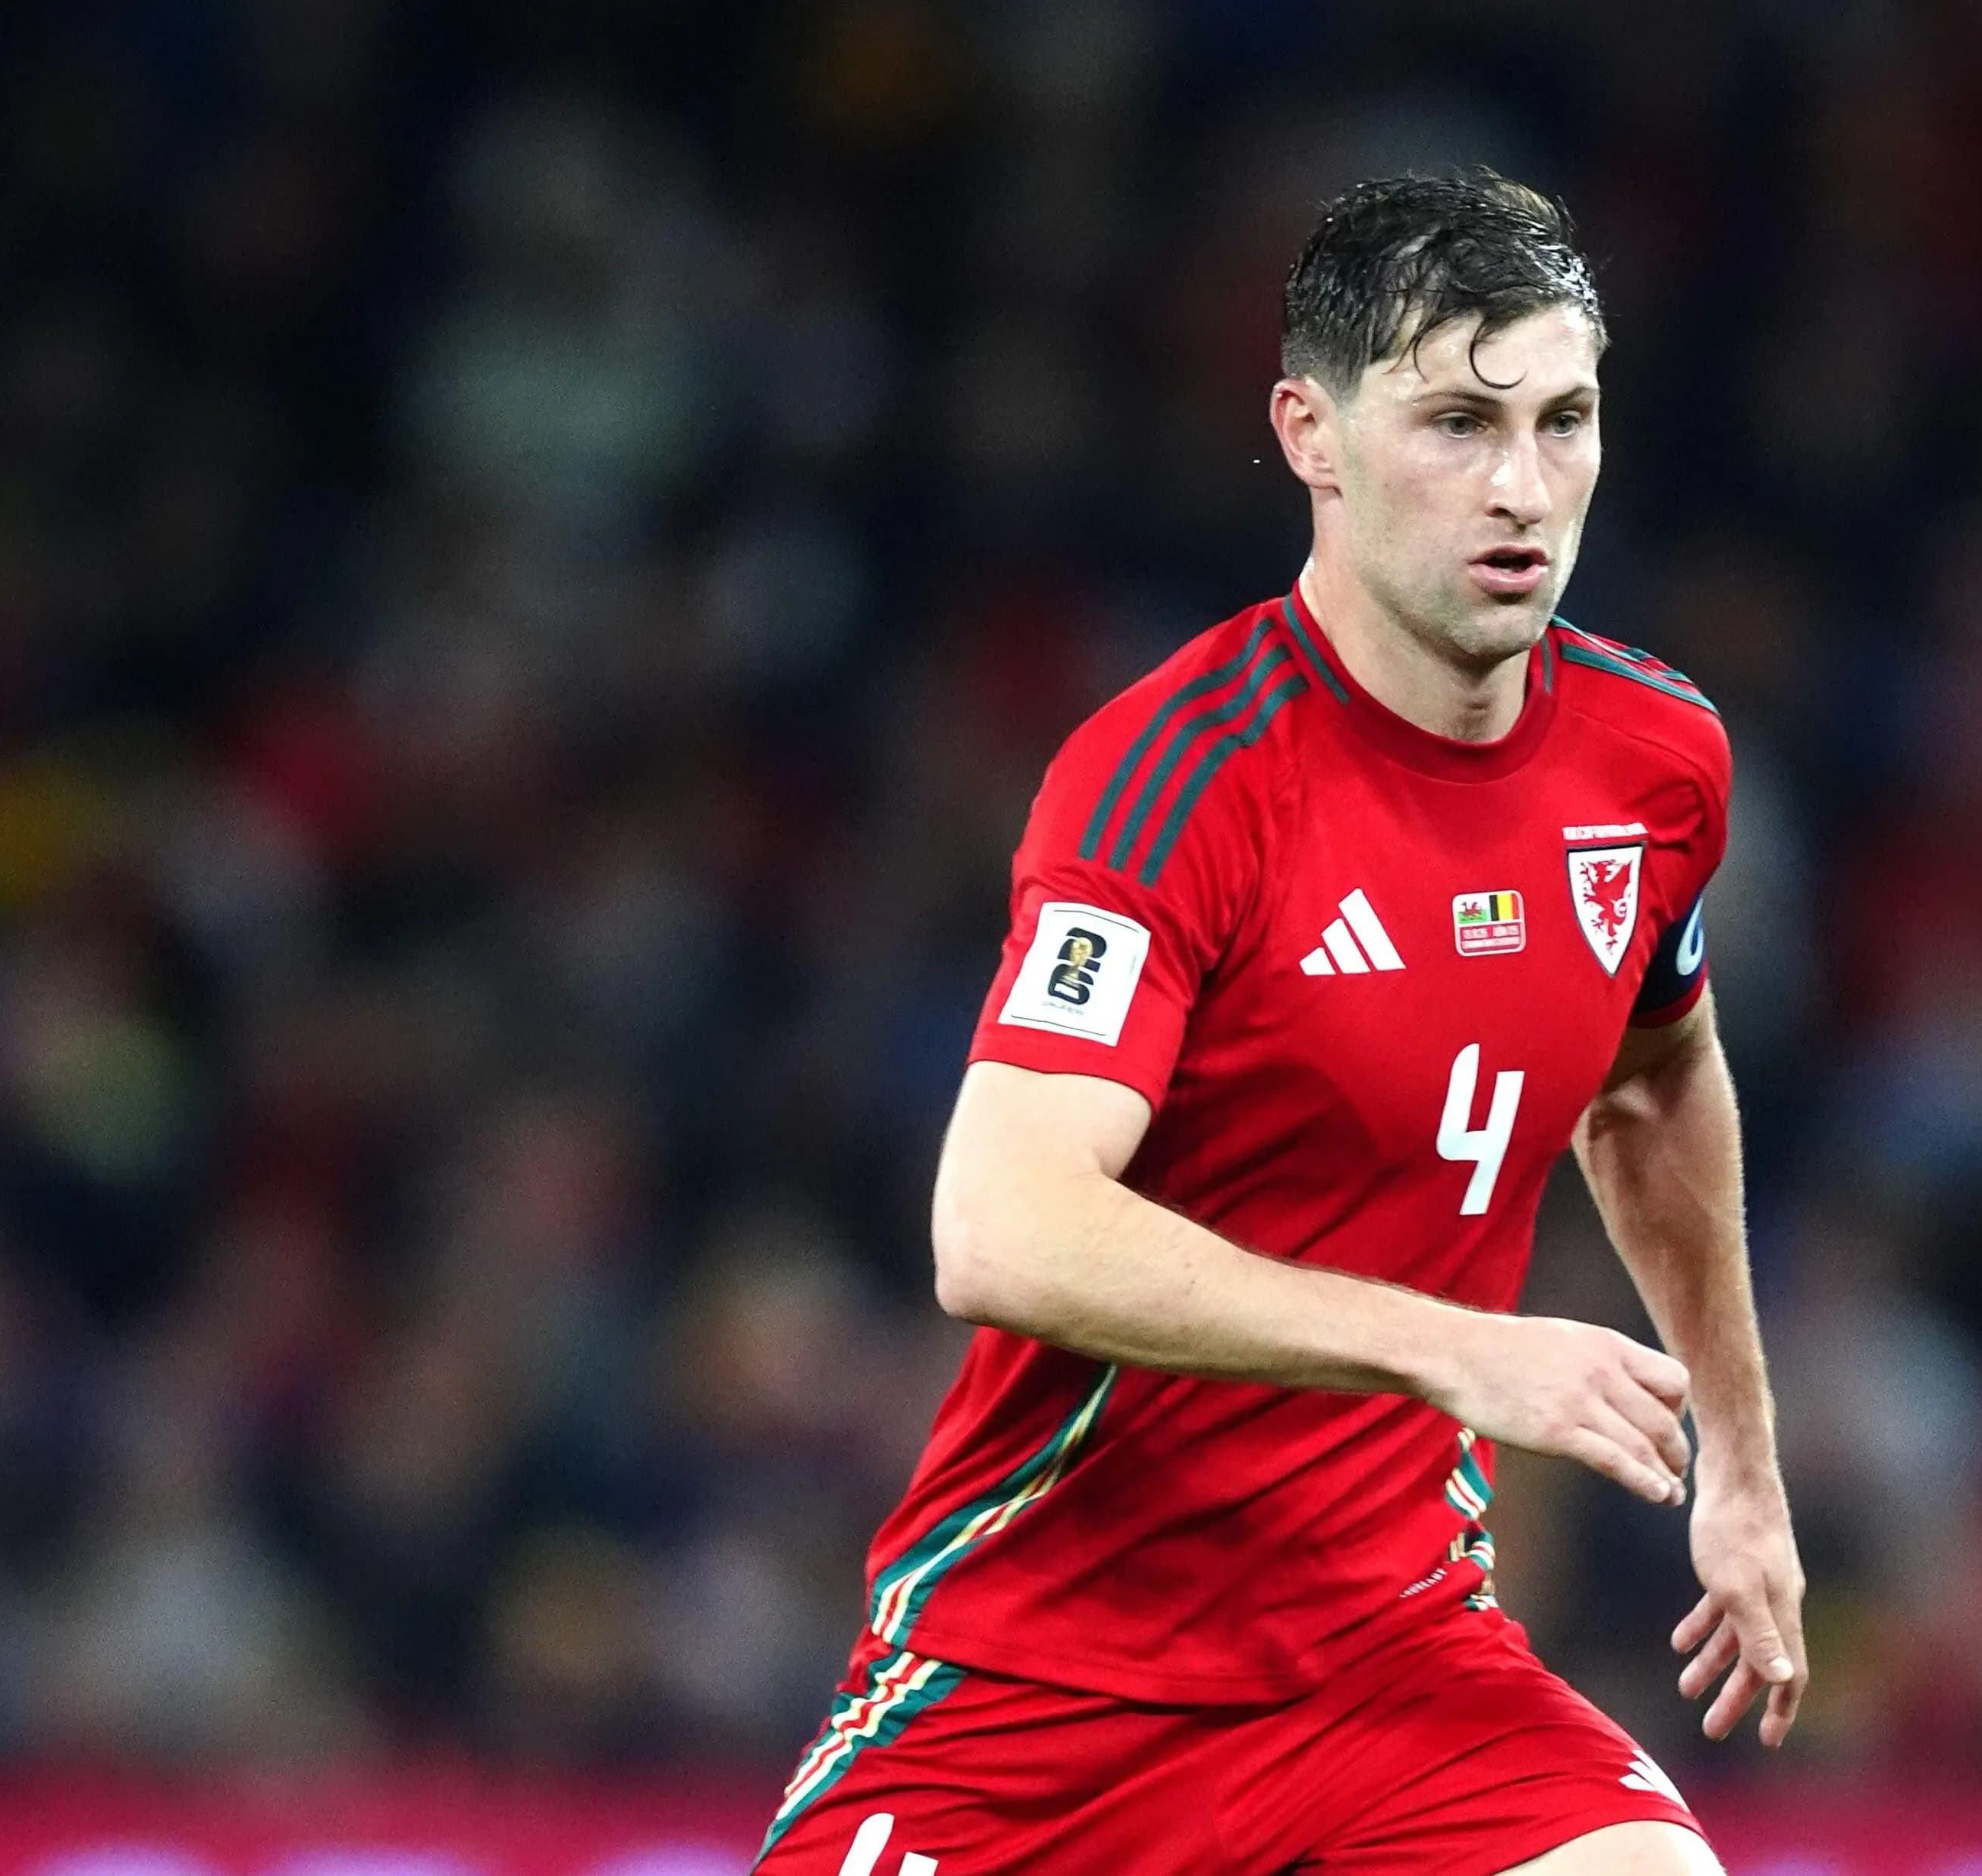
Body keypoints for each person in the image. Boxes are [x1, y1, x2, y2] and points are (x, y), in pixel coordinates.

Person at [753, 171, 1804, 1876]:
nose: (1523, 488)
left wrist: (1743, 1470)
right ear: (1310, 434)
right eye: (1458, 423)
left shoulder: (1656, 762)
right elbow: (1000, 1226)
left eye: (1565, 419)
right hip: (1044, 1687)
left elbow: (1657, 1077)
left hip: (1392, 1663)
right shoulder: (1174, 783)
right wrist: (1448, 1345)